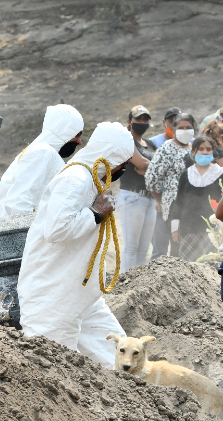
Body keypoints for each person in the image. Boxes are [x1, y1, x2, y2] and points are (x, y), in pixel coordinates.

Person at [17, 122, 133, 369]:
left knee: (123, 359)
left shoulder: (91, 180)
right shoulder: (74, 179)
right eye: (123, 162)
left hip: (81, 294)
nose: (124, 168)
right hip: (52, 297)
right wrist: (96, 213)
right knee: (54, 373)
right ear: (112, 157)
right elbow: (56, 229)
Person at [0, 104, 84, 217]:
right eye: (77, 135)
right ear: (64, 131)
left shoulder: (45, 153)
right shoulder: (43, 152)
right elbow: (18, 205)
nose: (79, 142)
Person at [147, 112, 197, 258]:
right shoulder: (166, 149)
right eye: (181, 127)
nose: (185, 130)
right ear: (174, 129)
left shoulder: (194, 150)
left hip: (188, 208)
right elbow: (151, 178)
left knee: (182, 250)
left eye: (188, 127)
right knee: (161, 251)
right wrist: (159, 200)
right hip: (168, 207)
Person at [167, 136, 223, 261]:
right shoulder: (186, 174)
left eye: (209, 149)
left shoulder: (220, 174)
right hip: (188, 230)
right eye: (201, 149)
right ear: (193, 152)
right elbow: (179, 202)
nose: (205, 152)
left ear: (213, 152)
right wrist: (175, 229)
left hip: (213, 233)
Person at [117, 105, 156, 270]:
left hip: (150, 198)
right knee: (131, 247)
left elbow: (158, 166)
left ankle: (139, 287)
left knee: (143, 249)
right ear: (129, 121)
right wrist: (153, 168)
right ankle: (126, 286)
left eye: (145, 119)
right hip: (132, 196)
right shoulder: (126, 140)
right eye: (138, 119)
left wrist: (149, 168)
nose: (142, 122)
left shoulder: (150, 143)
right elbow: (140, 163)